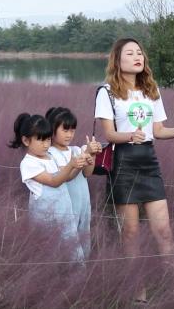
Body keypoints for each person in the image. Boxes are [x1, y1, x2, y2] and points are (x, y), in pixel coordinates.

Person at [94, 38, 174, 302]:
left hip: (149, 162)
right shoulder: (106, 92)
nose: (138, 57)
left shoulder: (151, 90)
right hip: (123, 163)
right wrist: (130, 136)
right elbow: (109, 134)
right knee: (130, 233)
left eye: (140, 52)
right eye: (130, 53)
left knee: (164, 231)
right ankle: (139, 294)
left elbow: (158, 130)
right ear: (118, 60)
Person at [8, 112, 90, 262]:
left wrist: (79, 165)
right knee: (50, 257)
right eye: (40, 140)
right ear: (26, 141)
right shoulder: (28, 164)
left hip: (66, 219)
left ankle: (78, 282)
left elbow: (67, 177)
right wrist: (71, 164)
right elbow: (54, 181)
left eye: (48, 139)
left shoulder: (49, 157)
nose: (46, 144)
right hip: (46, 223)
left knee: (72, 255)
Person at [45, 107, 102, 258]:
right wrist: (83, 157)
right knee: (66, 243)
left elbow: (87, 173)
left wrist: (92, 155)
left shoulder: (76, 150)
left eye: (72, 130)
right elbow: (66, 176)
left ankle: (82, 274)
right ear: (52, 130)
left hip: (83, 205)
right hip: (65, 209)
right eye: (65, 130)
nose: (69, 134)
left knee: (83, 236)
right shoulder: (50, 154)